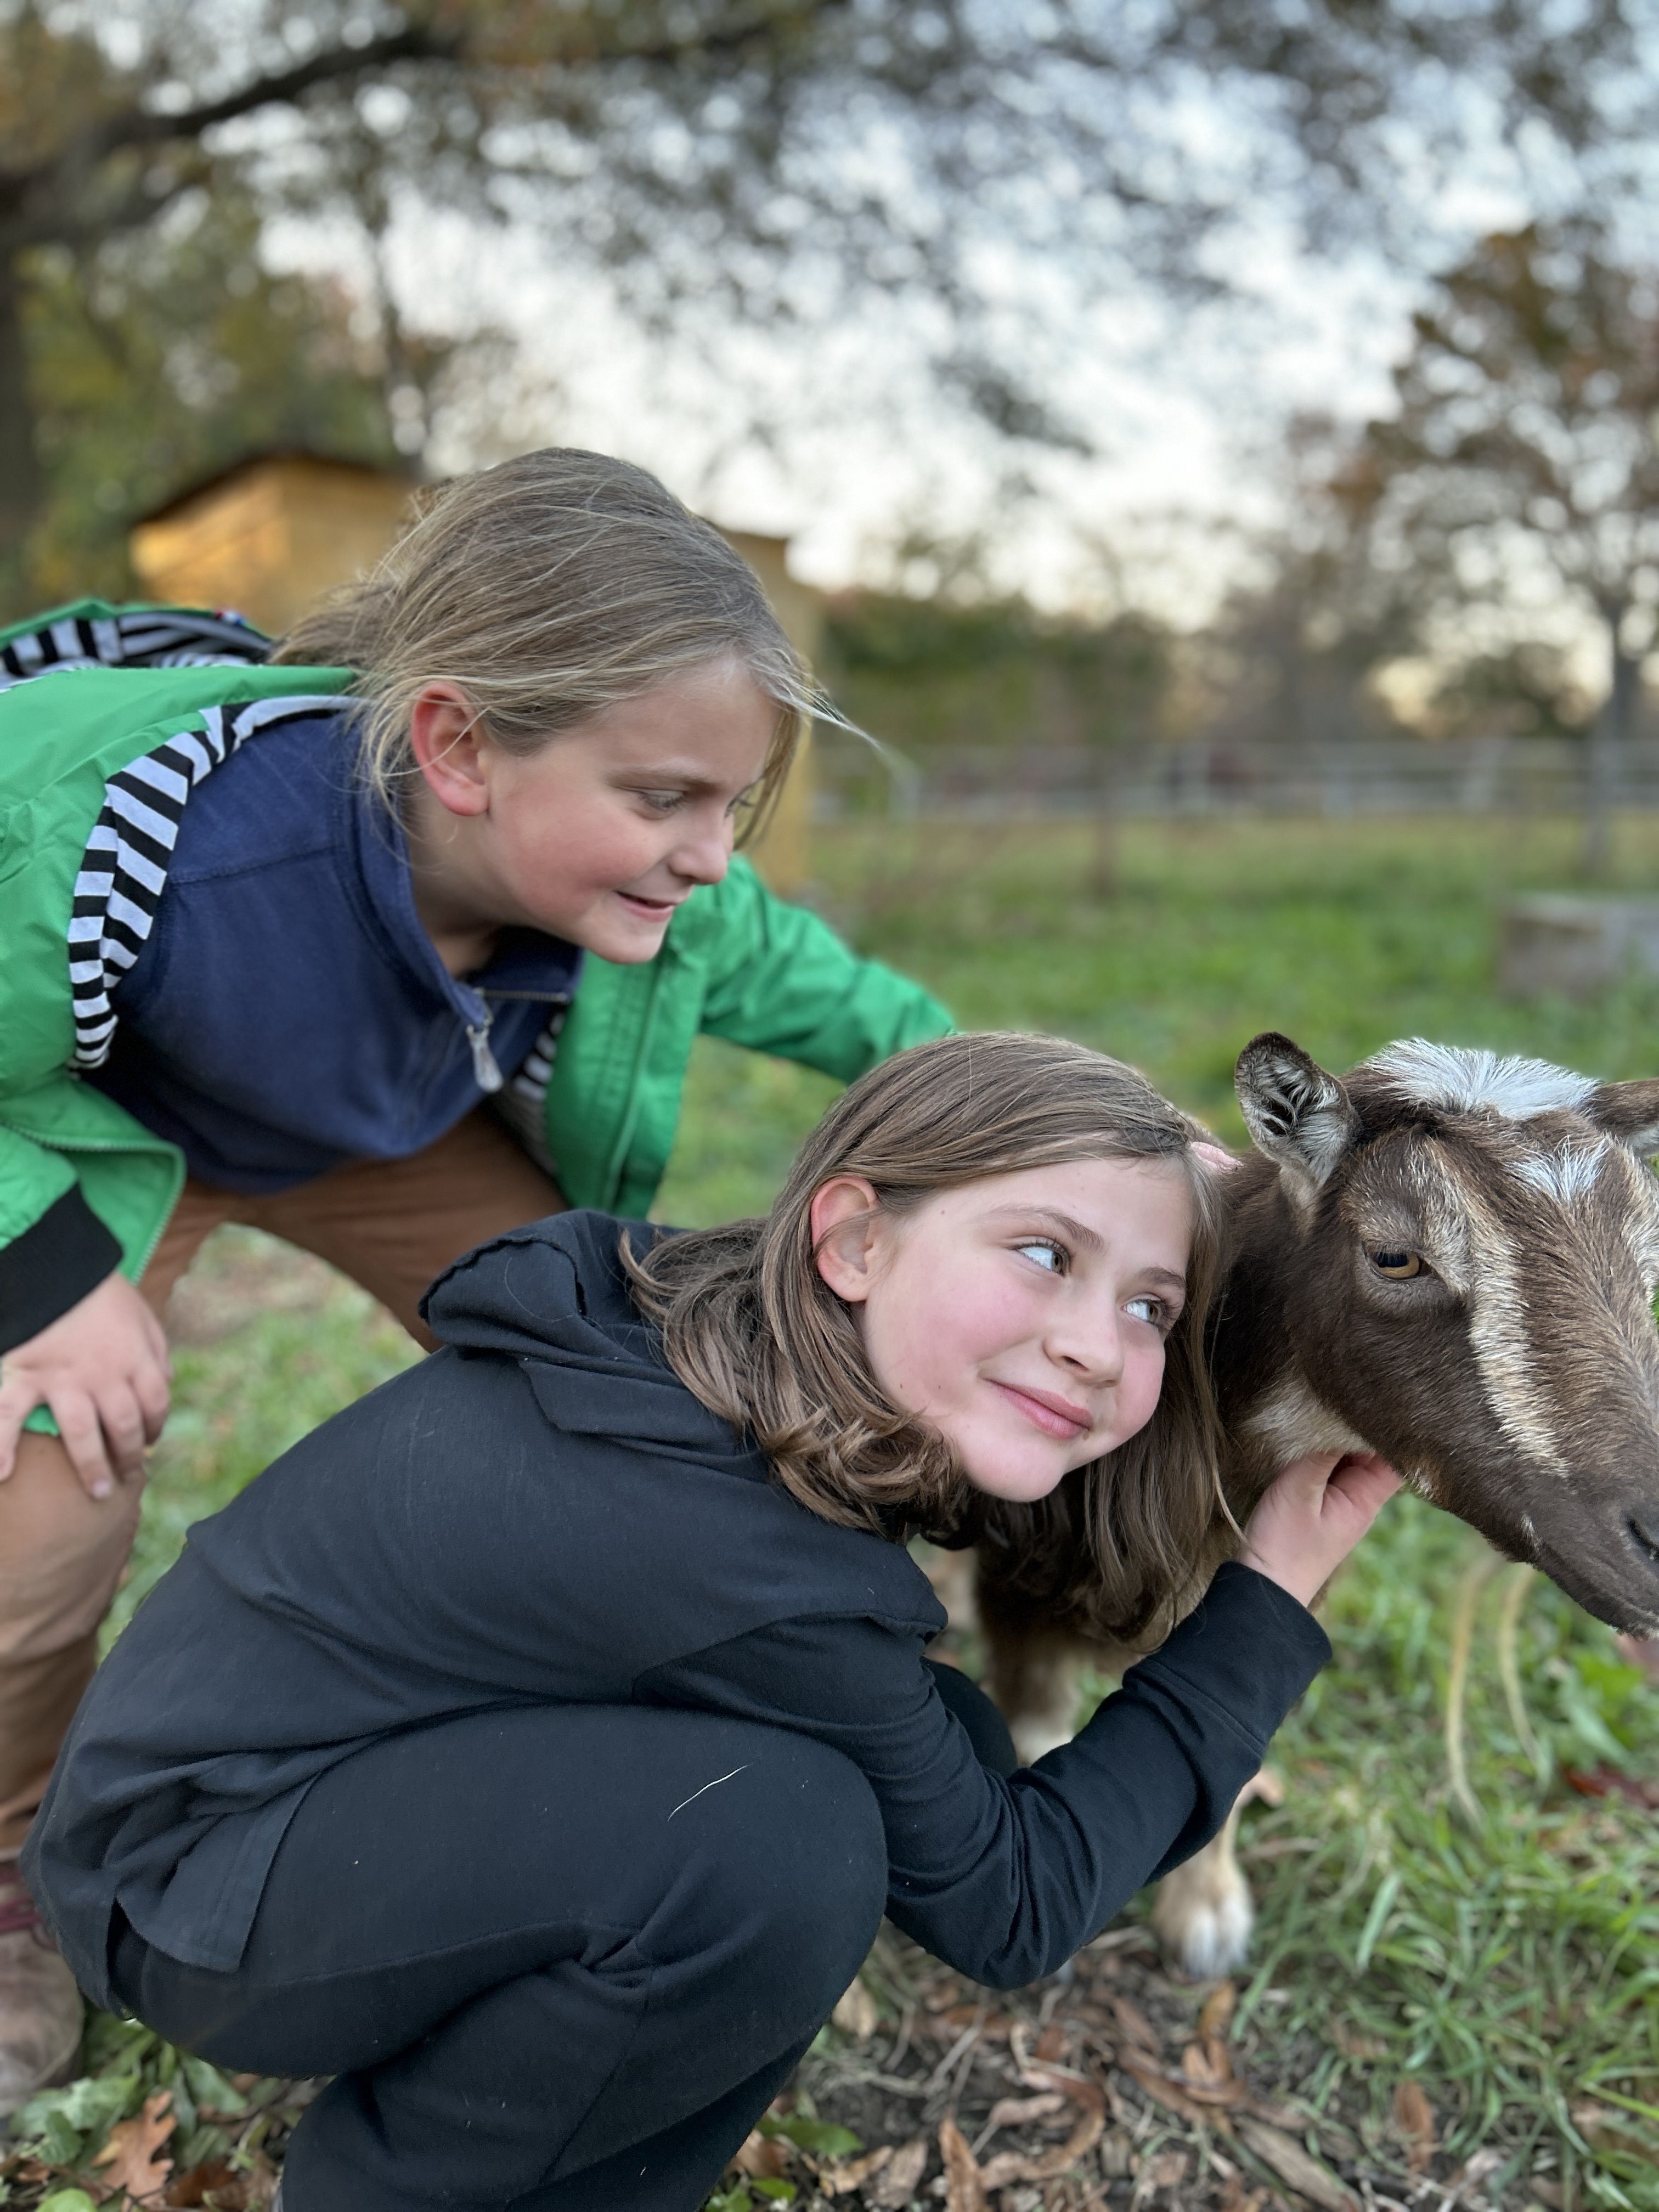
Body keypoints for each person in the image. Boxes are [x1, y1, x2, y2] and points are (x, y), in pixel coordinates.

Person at [25, 1031, 1401, 2212]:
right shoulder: (725, 1550)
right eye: (1044, 1253)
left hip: (247, 1791)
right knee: (776, 1849)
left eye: (1151, 1305)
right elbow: (1013, 1905)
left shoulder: (721, 1338)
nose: (1102, 1343)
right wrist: (1266, 1601)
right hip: (190, 1884)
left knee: (936, 1751)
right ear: (855, 1238)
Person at [0, 450, 952, 2106]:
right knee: (46, 1481)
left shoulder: (649, 888)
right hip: (99, 1129)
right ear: (456, 746)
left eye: (734, 806)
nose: (712, 855)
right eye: (665, 800)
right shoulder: (131, 835)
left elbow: (823, 989)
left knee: (632, 1388)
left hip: (383, 1137)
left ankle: (569, 1739)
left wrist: (1052, 1106)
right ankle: (13, 1868)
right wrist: (39, 1270)